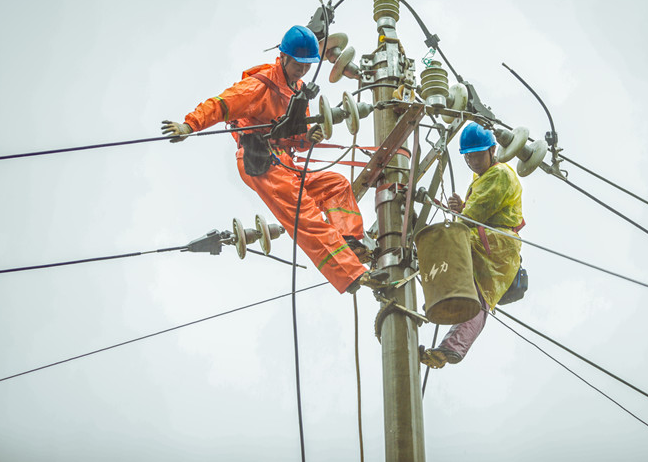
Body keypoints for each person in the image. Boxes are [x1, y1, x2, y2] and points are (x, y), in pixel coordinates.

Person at [161, 25, 386, 294]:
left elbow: (296, 139)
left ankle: (349, 242)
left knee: (335, 184)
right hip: (261, 160)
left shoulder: (298, 89)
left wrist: (309, 136)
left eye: (306, 65)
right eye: (298, 64)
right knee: (306, 215)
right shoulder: (260, 84)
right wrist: (190, 126)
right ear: (283, 57)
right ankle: (351, 275)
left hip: (284, 161)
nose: (302, 71)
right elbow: (222, 104)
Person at [420, 123, 523, 368]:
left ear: (492, 150)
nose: (474, 161)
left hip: (495, 246)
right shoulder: (483, 178)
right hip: (489, 245)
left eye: (478, 155)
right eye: (470, 157)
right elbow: (471, 214)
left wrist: (462, 213)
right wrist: (460, 209)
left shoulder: (499, 175)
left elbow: (473, 216)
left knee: (444, 248)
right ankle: (450, 346)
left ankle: (441, 299)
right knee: (476, 297)